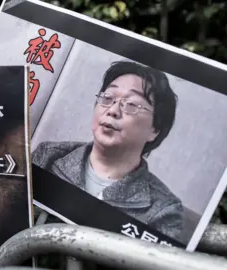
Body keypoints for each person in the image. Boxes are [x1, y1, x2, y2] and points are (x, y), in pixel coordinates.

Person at [32, 60, 184, 240]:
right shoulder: (49, 155)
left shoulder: (164, 209)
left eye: (132, 104)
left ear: (155, 130)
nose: (112, 110)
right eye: (108, 97)